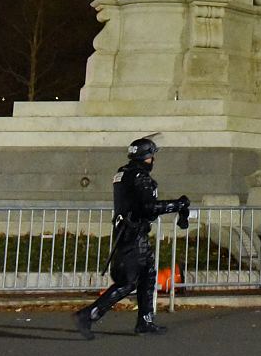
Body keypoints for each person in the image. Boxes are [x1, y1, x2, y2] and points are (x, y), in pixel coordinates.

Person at [73, 137, 191, 338]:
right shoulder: (140, 177)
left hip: (129, 232)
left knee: (148, 275)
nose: (153, 160)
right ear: (146, 157)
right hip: (133, 234)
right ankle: (89, 314)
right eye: (152, 156)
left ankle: (145, 321)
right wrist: (177, 204)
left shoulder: (122, 174)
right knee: (128, 282)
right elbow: (148, 208)